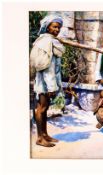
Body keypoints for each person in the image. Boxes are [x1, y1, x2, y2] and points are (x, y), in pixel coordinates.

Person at [30, 15, 65, 147]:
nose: (57, 29)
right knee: (42, 108)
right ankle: (40, 138)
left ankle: (44, 134)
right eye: (54, 26)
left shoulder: (51, 41)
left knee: (45, 108)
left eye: (59, 27)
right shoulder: (46, 42)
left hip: (50, 81)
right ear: (47, 26)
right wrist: (51, 87)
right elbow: (47, 68)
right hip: (45, 82)